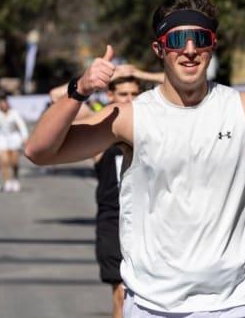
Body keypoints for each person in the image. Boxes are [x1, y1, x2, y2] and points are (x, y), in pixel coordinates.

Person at [26, 0, 245, 316]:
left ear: (211, 45)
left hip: (238, 303)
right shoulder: (130, 117)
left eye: (199, 38)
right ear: (159, 49)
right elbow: (39, 151)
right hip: (154, 305)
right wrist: (79, 90)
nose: (189, 50)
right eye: (177, 40)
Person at [50, 67, 163, 318]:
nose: (130, 99)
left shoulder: (155, 124)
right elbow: (56, 95)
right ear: (110, 96)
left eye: (135, 93)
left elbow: (187, 81)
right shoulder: (102, 129)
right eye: (123, 93)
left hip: (154, 220)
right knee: (121, 294)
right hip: (114, 220)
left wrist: (141, 74)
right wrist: (106, 78)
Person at [0, 94, 29, 193]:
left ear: (7, 104)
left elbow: (21, 125)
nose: (3, 105)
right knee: (4, 161)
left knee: (14, 162)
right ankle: (7, 182)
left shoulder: (14, 113)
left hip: (14, 138)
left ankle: (15, 178)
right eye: (1, 104)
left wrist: (24, 137)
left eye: (5, 103)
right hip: (2, 138)